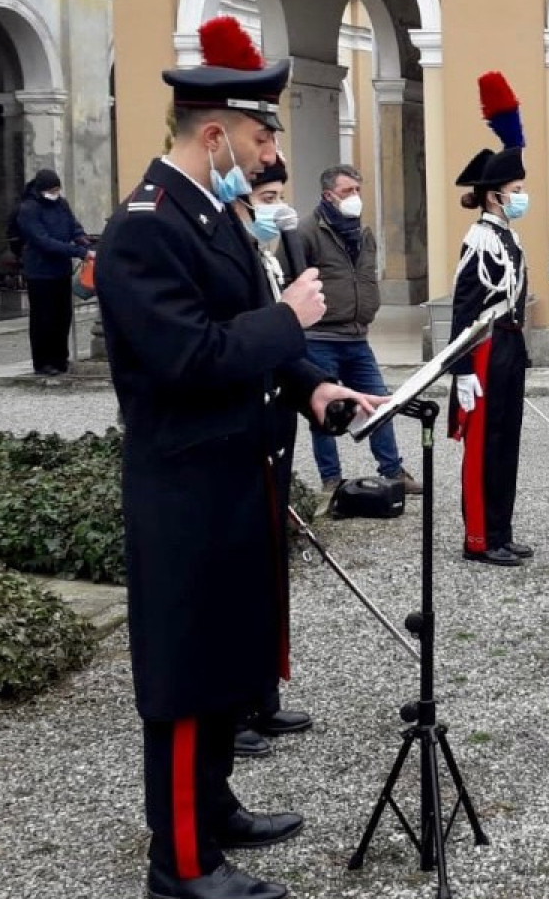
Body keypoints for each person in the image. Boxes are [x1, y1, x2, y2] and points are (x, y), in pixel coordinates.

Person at [96, 15, 386, 899]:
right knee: (187, 672)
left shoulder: (211, 215)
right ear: (214, 132)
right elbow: (189, 356)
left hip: (235, 471)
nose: (268, 154)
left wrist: (316, 390)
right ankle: (179, 863)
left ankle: (212, 807)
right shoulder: (146, 228)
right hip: (186, 481)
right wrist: (291, 322)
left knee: (226, 656)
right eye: (262, 135)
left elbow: (249, 342)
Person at [234, 158, 314, 762]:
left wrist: (316, 388)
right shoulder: (232, 259)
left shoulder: (271, 255)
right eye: (266, 196)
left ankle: (261, 690)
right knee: (238, 574)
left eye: (281, 195)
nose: (277, 208)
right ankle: (230, 707)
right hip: (240, 430)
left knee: (269, 567)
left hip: (275, 426)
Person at [450, 71, 537, 567]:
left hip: (507, 348)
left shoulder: (508, 237)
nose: (522, 195)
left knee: (507, 443)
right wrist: (461, 372)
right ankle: (479, 539)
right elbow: (464, 308)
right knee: (483, 448)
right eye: (516, 188)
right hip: (482, 351)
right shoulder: (480, 239)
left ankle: (502, 530)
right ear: (494, 195)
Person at [299, 164, 420, 499]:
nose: (354, 198)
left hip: (357, 336)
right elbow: (292, 281)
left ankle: (393, 471)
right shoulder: (307, 232)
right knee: (324, 411)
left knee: (379, 403)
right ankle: (331, 480)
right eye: (346, 192)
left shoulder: (362, 234)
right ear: (328, 196)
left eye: (357, 190)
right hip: (320, 337)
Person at [15, 168, 90, 376]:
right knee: (43, 318)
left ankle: (60, 358)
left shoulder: (61, 204)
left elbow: (73, 226)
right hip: (40, 272)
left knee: (62, 316)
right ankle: (43, 362)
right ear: (41, 190)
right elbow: (42, 241)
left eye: (58, 189)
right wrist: (77, 251)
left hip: (61, 270)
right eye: (52, 190)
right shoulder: (29, 209)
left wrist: (83, 239)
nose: (55, 193)